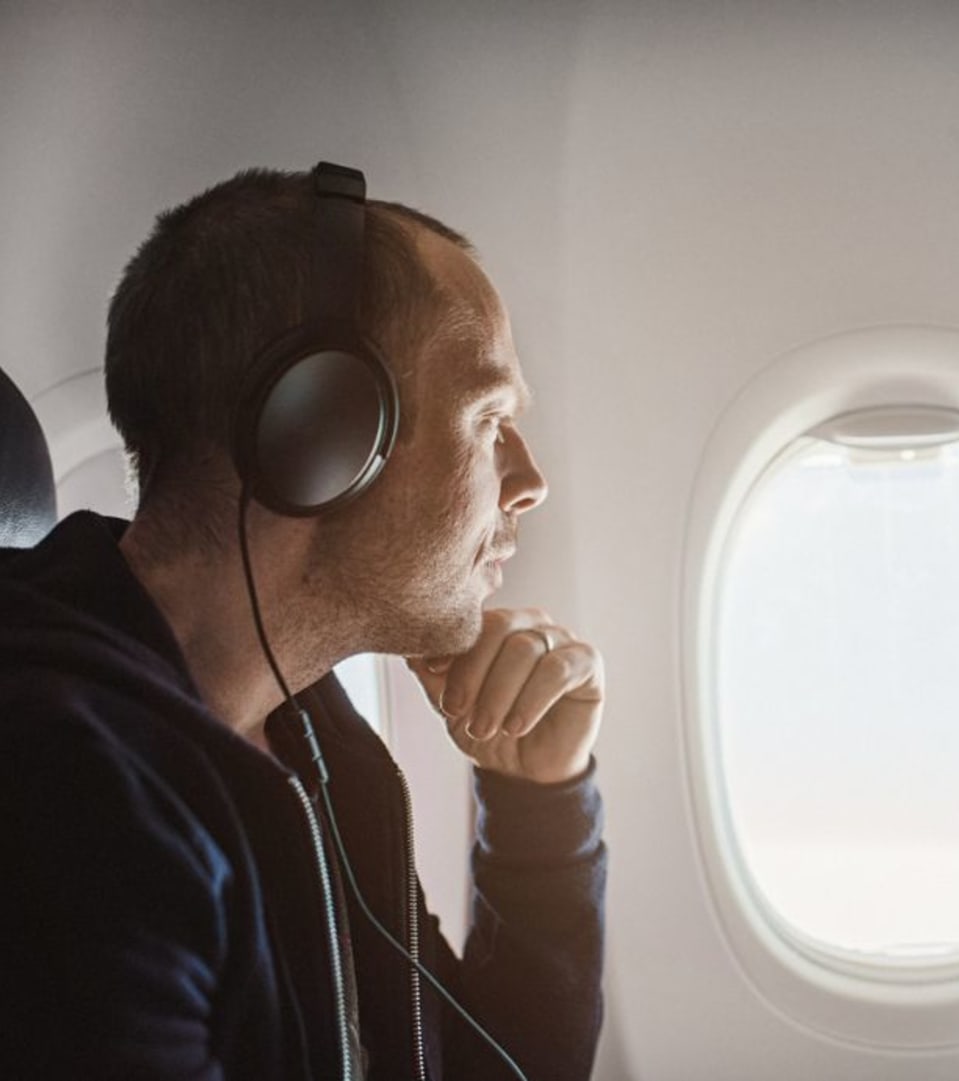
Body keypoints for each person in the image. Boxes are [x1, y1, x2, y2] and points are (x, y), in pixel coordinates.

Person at [0, 167, 606, 1080]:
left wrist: (538, 800)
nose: (529, 479)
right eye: (488, 420)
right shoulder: (70, 799)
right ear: (323, 432)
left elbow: (497, 1066)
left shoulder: (314, 740)